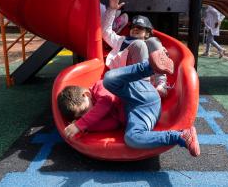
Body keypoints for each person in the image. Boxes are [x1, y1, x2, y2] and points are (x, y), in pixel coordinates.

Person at [58, 49, 200, 157]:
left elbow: (107, 102)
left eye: (84, 110)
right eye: (82, 116)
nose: (86, 115)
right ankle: (181, 136)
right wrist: (87, 127)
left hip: (141, 94)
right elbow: (113, 124)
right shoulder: (90, 122)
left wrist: (81, 124)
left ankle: (150, 68)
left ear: (86, 94)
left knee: (109, 79)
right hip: (142, 114)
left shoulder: (97, 88)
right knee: (131, 138)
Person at [102, 0, 169, 97]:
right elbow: (105, 32)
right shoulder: (122, 40)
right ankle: (144, 88)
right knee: (139, 44)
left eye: (140, 27)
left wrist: (161, 52)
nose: (135, 29)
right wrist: (112, 9)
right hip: (123, 76)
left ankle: (162, 84)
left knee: (154, 42)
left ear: (147, 33)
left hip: (148, 78)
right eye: (133, 27)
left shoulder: (151, 44)